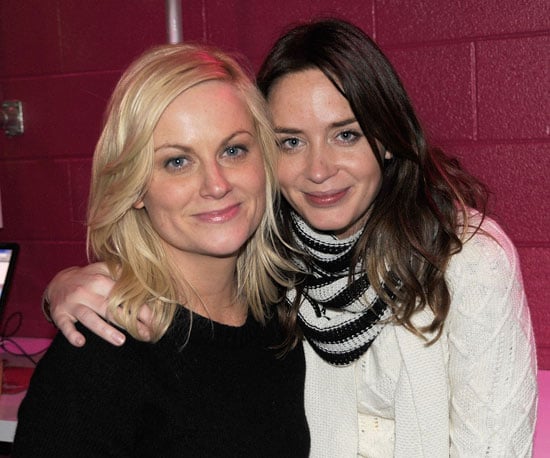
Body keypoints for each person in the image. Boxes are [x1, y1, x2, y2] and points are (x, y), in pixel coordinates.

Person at [41, 19, 538, 457]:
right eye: (291, 142)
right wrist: (67, 285)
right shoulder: (278, 265)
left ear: (385, 137)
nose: (319, 170)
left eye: (346, 134)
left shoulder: (464, 260)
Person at [14, 43, 310, 457]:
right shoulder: (104, 347)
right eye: (177, 162)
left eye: (233, 150)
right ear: (135, 187)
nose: (217, 184)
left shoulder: (281, 318)